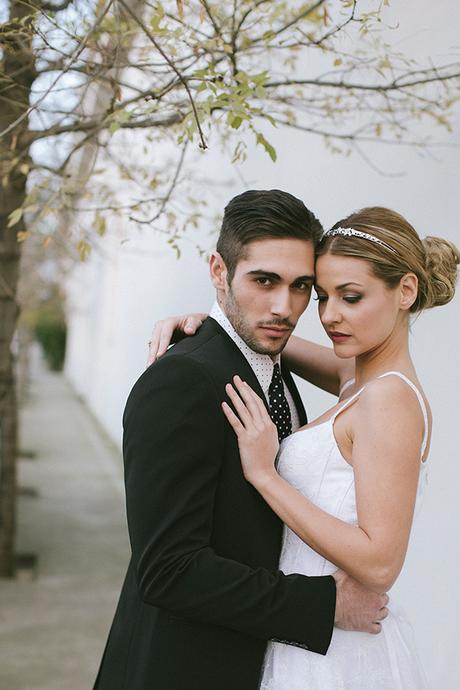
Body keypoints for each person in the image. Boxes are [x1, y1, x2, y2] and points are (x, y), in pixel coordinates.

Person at [151, 205, 459, 689]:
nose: (329, 315)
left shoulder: (388, 399)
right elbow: (270, 341)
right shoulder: (358, 378)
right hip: (304, 633)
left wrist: (265, 476)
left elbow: (381, 562)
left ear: (406, 291)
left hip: (336, 651)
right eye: (322, 296)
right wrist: (215, 321)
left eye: (351, 297)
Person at [93, 190, 388, 690]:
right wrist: (325, 603)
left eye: (301, 287)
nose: (283, 306)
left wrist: (221, 320)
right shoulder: (180, 381)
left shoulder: (269, 364)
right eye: (263, 280)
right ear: (218, 270)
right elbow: (168, 569)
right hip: (182, 668)